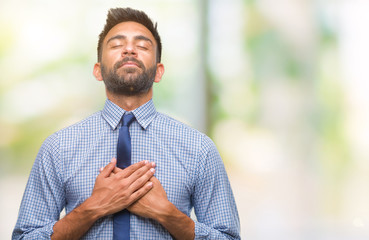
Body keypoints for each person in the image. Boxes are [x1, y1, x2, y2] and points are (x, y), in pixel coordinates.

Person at [12, 7, 240, 240]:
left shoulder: (199, 148)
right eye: (116, 45)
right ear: (98, 71)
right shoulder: (58, 148)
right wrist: (94, 207)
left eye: (142, 46)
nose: (129, 49)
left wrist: (168, 214)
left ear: (159, 72)